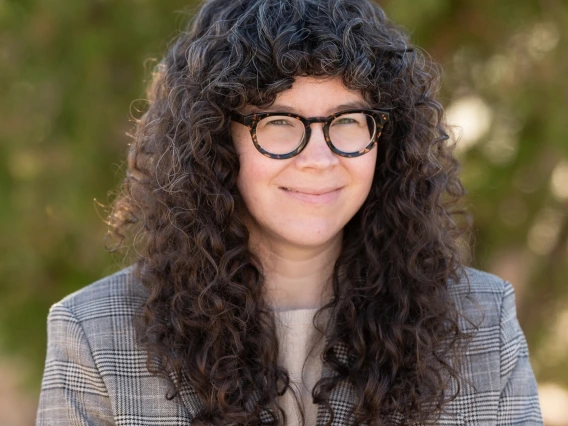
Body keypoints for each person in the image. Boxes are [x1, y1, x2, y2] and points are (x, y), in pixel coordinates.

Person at [36, 0, 543, 425]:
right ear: (215, 142)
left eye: (347, 120)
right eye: (279, 121)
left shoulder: (482, 321)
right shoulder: (95, 335)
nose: (319, 158)